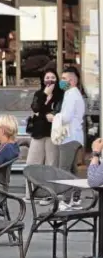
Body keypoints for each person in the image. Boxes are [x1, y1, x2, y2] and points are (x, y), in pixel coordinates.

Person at [46, 66, 85, 209]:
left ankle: (67, 199)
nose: (61, 81)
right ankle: (76, 198)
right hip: (76, 136)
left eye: (63, 78)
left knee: (64, 169)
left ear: (72, 80)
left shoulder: (70, 94)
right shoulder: (75, 94)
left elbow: (66, 117)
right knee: (73, 169)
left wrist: (53, 117)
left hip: (69, 137)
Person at [24, 69, 64, 203]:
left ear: (57, 80)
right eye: (47, 77)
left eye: (53, 77)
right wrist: (44, 95)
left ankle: (49, 194)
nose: (50, 80)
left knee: (51, 164)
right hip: (38, 132)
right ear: (43, 80)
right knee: (32, 162)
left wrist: (43, 114)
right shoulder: (38, 93)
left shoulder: (60, 95)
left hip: (53, 133)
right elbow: (35, 108)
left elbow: (56, 113)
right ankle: (30, 194)